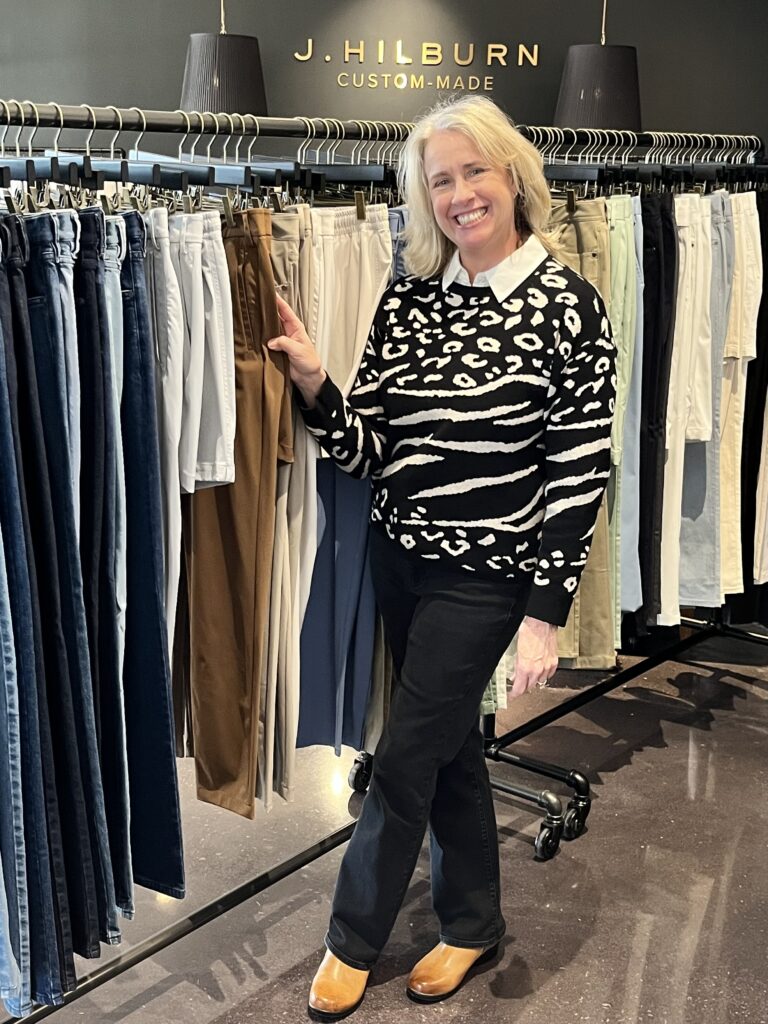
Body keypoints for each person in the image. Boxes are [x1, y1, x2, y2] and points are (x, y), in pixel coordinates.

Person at [267, 94, 616, 1021]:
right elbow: (371, 448)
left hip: (486, 576)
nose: (461, 195)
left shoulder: (570, 307)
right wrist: (317, 384)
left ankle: (351, 941)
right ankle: (471, 922)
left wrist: (544, 613)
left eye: (475, 172)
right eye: (441, 180)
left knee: (406, 755)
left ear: (514, 176)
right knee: (451, 746)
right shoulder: (411, 293)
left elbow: (579, 472)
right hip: (401, 560)